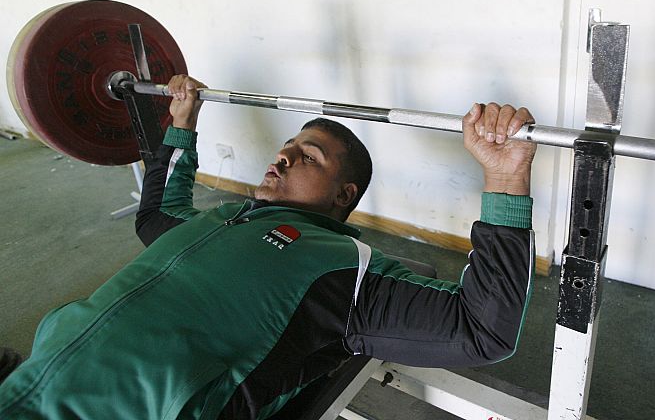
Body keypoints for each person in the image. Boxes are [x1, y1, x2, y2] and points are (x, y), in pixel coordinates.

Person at [0, 74, 537, 419]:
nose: (281, 157)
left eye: (308, 157)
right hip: (27, 381)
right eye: (287, 146)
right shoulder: (221, 218)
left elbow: (481, 329)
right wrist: (183, 122)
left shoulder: (341, 267)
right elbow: (157, 212)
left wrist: (505, 178)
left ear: (343, 195)